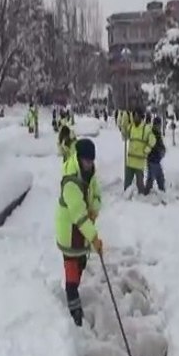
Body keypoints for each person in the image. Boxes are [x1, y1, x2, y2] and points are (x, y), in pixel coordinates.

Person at [55, 138, 103, 326]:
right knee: (72, 269)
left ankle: (73, 290)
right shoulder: (70, 181)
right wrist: (94, 237)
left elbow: (97, 195)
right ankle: (74, 310)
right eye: (86, 161)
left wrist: (94, 209)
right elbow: (78, 215)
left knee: (81, 262)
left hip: (81, 232)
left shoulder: (90, 174)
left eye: (92, 161)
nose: (89, 164)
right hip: (69, 231)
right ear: (79, 158)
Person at [122, 107, 156, 193]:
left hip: (139, 162)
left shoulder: (146, 129)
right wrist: (124, 122)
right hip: (130, 161)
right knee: (127, 184)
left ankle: (141, 201)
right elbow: (124, 136)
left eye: (137, 116)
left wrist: (146, 150)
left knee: (140, 185)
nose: (135, 118)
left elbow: (153, 140)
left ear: (141, 117)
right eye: (134, 116)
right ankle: (126, 198)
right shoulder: (131, 127)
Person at [145, 117, 166, 193]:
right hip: (152, 159)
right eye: (158, 125)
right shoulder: (153, 134)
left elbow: (160, 145)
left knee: (159, 178)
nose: (159, 127)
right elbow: (153, 145)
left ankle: (161, 192)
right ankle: (146, 193)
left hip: (156, 160)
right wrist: (161, 150)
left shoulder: (157, 134)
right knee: (153, 178)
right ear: (155, 125)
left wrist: (163, 150)